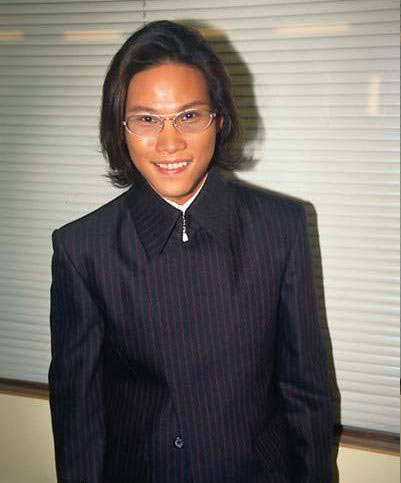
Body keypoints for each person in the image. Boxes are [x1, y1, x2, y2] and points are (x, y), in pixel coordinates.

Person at [49, 20, 333, 483]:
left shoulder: (280, 228)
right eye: (146, 119)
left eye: (189, 116)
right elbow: (78, 417)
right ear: (121, 128)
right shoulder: (83, 249)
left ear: (218, 118)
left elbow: (307, 393)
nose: (170, 142)